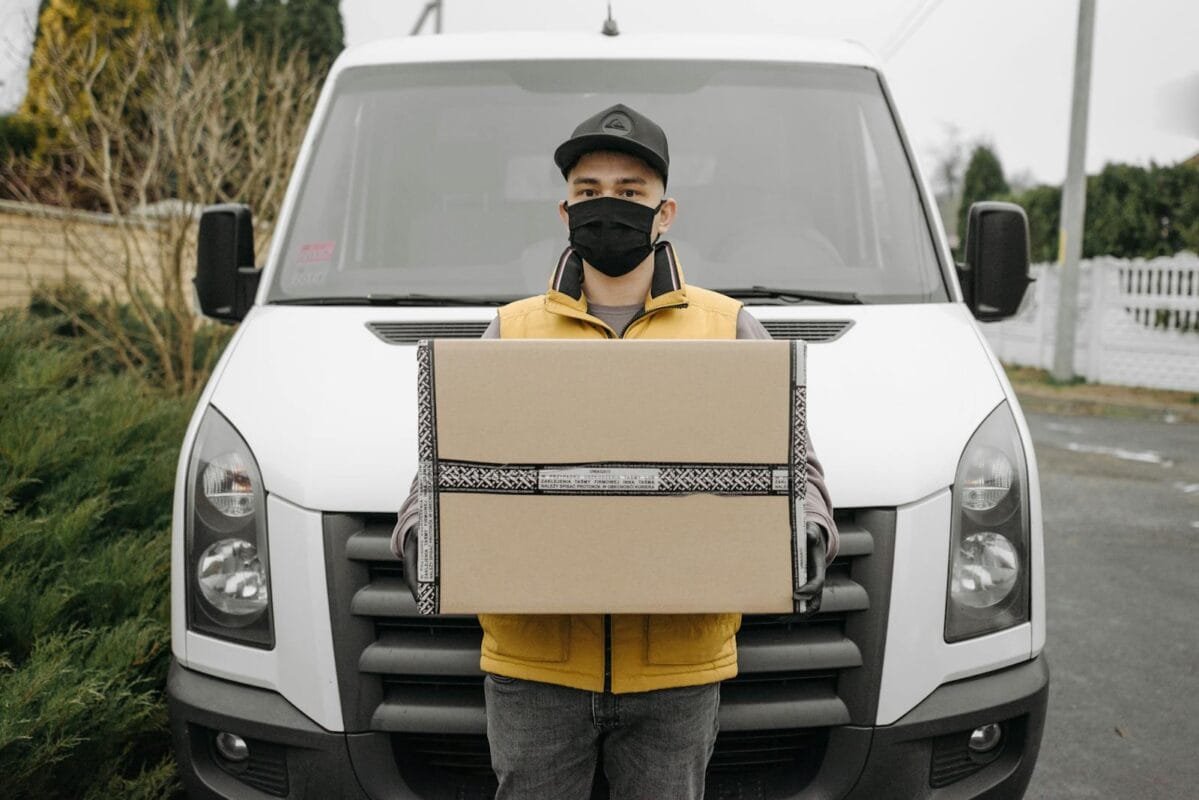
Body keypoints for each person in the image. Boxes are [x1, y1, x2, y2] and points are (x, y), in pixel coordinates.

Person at [391, 103, 838, 799]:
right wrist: (423, 536)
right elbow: (442, 474)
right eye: (588, 192)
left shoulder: (729, 328)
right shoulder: (509, 332)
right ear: (564, 212)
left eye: (629, 194)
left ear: (665, 213)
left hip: (677, 670)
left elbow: (794, 468)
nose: (609, 208)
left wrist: (807, 530)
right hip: (533, 669)